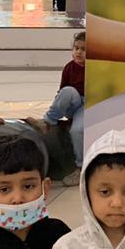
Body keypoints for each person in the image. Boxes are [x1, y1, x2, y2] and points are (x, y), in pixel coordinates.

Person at [29, 31, 87, 169]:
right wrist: (59, 106)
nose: (79, 52)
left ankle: (81, 164)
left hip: (86, 107)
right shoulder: (69, 67)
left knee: (76, 131)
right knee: (68, 91)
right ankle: (48, 121)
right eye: (76, 48)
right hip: (74, 103)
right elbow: (62, 92)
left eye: (84, 49)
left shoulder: (95, 69)